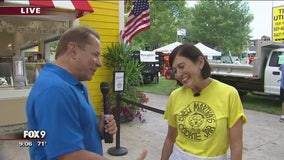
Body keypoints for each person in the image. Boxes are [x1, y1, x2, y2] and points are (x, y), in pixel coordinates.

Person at [26, 26, 147, 160]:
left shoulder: (72, 85)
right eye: (95, 54)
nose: (100, 63)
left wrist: (97, 131)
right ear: (73, 50)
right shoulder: (55, 90)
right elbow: (69, 155)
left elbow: (70, 135)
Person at [161, 43, 247, 160]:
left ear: (200, 62)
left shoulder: (229, 94)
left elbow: (236, 145)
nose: (178, 74)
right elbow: (170, 138)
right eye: (175, 70)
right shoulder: (175, 96)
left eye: (182, 66)